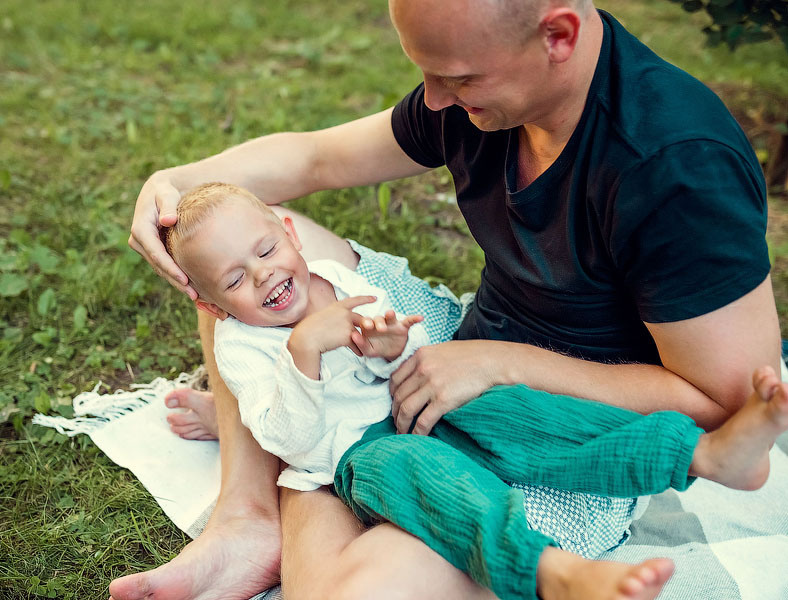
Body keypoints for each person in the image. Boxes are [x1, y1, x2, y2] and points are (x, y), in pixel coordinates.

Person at [111, 1, 781, 599]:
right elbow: (317, 160)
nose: (432, 102)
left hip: (580, 406)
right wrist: (173, 186)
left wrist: (502, 364)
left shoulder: (676, 168)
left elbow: (724, 400)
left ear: (558, 34)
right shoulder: (482, 94)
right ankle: (247, 514)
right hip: (454, 340)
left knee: (353, 589)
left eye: (458, 79)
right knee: (228, 256)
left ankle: (303, 438)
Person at [155, 181, 787, 600]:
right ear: (214, 303)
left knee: (532, 420)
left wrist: (387, 346)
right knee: (440, 484)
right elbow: (288, 439)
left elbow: (392, 355)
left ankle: (699, 455)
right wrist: (304, 352)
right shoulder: (249, 343)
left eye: (266, 251)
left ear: (290, 235)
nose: (265, 275)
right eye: (236, 279)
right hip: (360, 452)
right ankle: (545, 568)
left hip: (413, 395)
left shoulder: (323, 275)